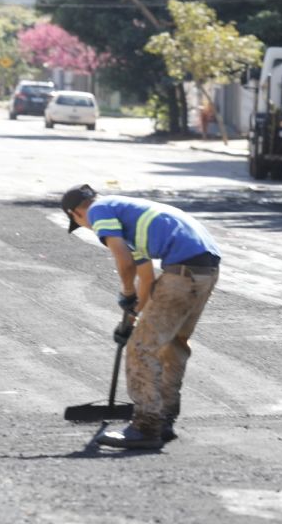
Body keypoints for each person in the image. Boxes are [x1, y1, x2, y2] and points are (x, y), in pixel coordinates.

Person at [62, 184, 222, 449]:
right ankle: (164, 420)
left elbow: (124, 264)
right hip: (204, 271)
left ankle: (146, 427)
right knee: (172, 346)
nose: (89, 228)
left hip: (182, 273)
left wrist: (126, 292)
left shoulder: (99, 210)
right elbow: (146, 279)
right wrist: (131, 318)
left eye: (79, 223)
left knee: (141, 349)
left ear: (75, 213)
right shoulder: (127, 216)